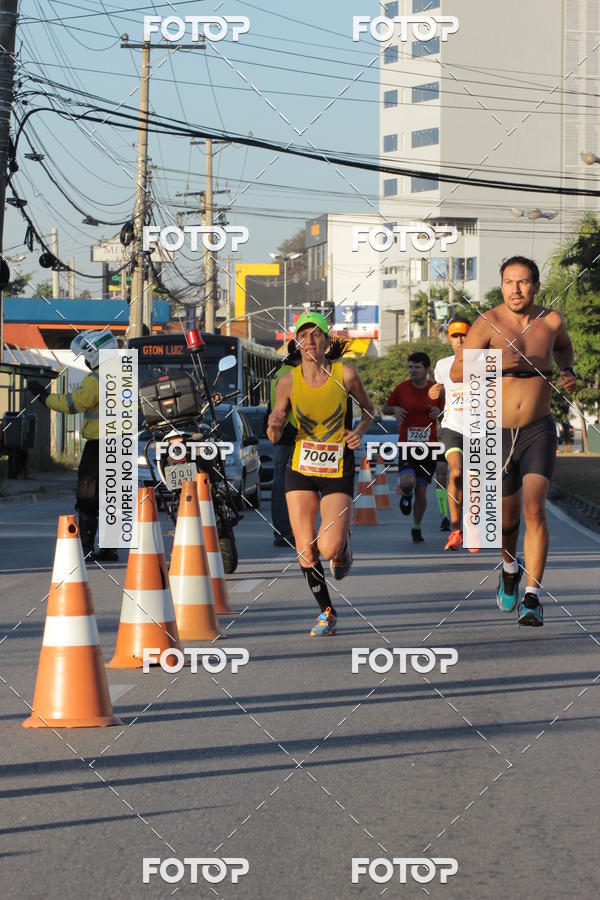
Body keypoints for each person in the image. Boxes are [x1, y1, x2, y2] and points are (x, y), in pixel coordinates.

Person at [450, 256, 576, 626]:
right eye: (508, 282)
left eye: (523, 282)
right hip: (497, 432)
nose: (515, 289)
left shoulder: (551, 321)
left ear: (536, 286)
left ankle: (533, 597)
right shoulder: (487, 323)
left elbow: (565, 348)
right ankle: (509, 568)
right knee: (507, 523)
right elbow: (458, 371)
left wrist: (566, 370)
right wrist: (493, 363)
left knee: (535, 508)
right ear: (501, 285)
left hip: (538, 428)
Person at [267, 311, 375, 636]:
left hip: (337, 466)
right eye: (304, 335)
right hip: (301, 466)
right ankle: (327, 613)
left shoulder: (347, 375)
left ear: (328, 341)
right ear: (296, 342)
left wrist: (359, 431)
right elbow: (277, 420)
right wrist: (273, 427)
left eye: (316, 335)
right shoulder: (287, 380)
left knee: (328, 548)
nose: (310, 341)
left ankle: (342, 549)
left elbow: (369, 410)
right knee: (305, 547)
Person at [28, 329, 120, 562]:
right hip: (122, 445)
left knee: (88, 494)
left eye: (87, 356)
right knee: (112, 496)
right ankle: (110, 549)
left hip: (100, 444)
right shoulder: (123, 374)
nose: (86, 361)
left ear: (96, 355)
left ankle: (87, 549)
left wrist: (45, 398)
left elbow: (75, 403)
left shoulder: (98, 378)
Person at [383, 352, 443, 543]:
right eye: (410, 367)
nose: (413, 371)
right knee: (408, 482)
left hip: (429, 447)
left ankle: (416, 527)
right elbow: (386, 408)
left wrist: (439, 412)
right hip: (407, 445)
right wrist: (395, 409)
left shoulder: (436, 389)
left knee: (422, 491)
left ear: (427, 369)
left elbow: (447, 414)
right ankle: (406, 495)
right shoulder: (402, 388)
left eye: (417, 367)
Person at [430, 315, 479, 552]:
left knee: (473, 481)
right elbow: (440, 388)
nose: (459, 340)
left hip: (478, 428)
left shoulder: (484, 361)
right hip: (452, 426)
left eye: (464, 335)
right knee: (456, 472)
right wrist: (436, 390)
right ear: (449, 339)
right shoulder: (442, 365)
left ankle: (473, 525)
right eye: (454, 336)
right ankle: (456, 529)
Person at [268, 339, 300, 547]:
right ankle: (285, 531)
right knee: (286, 486)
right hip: (291, 436)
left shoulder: (280, 373)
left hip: (283, 436)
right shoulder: (292, 376)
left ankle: (285, 531)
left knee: (282, 484)